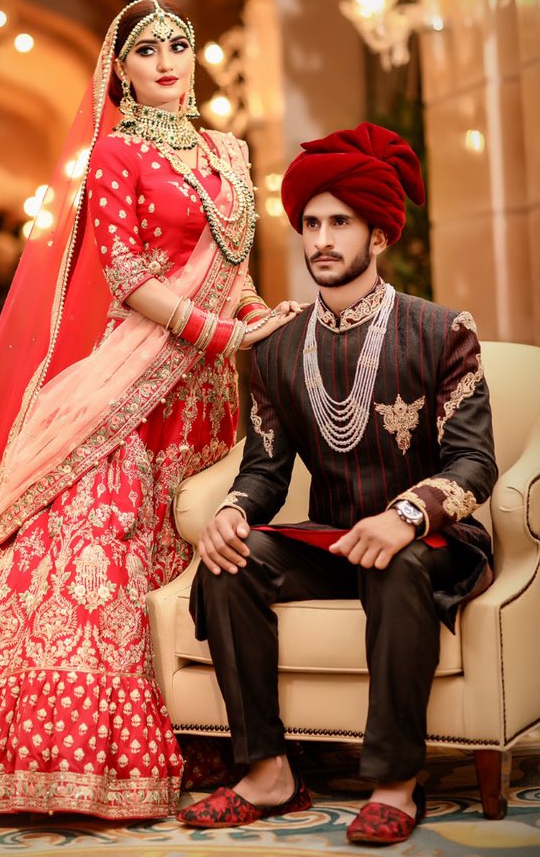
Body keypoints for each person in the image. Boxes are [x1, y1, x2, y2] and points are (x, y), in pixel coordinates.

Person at [0, 0, 300, 819]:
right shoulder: (116, 153)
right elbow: (129, 279)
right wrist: (223, 334)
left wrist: (259, 318)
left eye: (177, 44)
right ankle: (73, 750)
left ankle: (212, 730)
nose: (166, 60)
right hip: (131, 384)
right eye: (146, 50)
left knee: (191, 547)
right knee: (102, 551)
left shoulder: (229, 151)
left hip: (205, 397)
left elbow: (235, 269)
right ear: (121, 72)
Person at [178, 122, 497, 845]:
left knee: (394, 561)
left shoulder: (442, 331)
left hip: (431, 543)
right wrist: (233, 510)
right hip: (331, 540)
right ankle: (266, 772)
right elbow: (265, 469)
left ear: (377, 235)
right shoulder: (277, 350)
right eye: (312, 224)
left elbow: (474, 463)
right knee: (229, 563)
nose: (321, 240)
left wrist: (406, 515)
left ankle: (394, 784)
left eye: (340, 223)